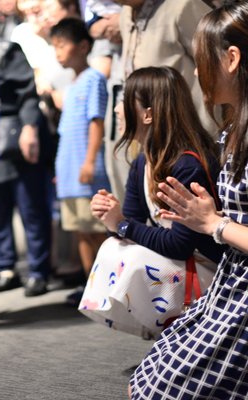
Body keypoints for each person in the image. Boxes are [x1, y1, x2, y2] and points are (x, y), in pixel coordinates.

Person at [129, 3, 248, 398]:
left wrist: (214, 223)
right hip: (227, 290)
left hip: (240, 303)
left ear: (231, 58)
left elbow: (197, 233)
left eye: (200, 60)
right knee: (144, 381)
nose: (195, 72)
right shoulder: (230, 132)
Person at [88, 66, 224, 335]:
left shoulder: (187, 165)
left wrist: (121, 224)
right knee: (113, 248)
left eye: (124, 101)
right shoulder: (143, 161)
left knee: (136, 258)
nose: (117, 109)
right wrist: (111, 217)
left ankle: (184, 329)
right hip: (188, 262)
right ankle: (171, 336)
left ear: (148, 114)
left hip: (216, 270)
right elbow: (129, 225)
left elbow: (180, 245)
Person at [105, 0, 212, 205]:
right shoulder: (126, 15)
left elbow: (217, 62)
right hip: (150, 141)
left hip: (189, 142)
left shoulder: (183, 6)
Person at [0, 12, 53, 297]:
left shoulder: (5, 49)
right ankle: (6, 267)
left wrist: (31, 127)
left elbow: (26, 92)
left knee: (30, 206)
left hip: (14, 131)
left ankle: (38, 270)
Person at [50, 17, 110, 305]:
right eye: (54, 47)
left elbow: (96, 122)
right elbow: (66, 132)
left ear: (83, 46)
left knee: (97, 231)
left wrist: (89, 162)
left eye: (61, 45)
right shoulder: (71, 85)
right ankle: (91, 287)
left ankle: (107, 287)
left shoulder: (94, 78)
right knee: (80, 232)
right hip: (69, 170)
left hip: (87, 169)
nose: (57, 52)